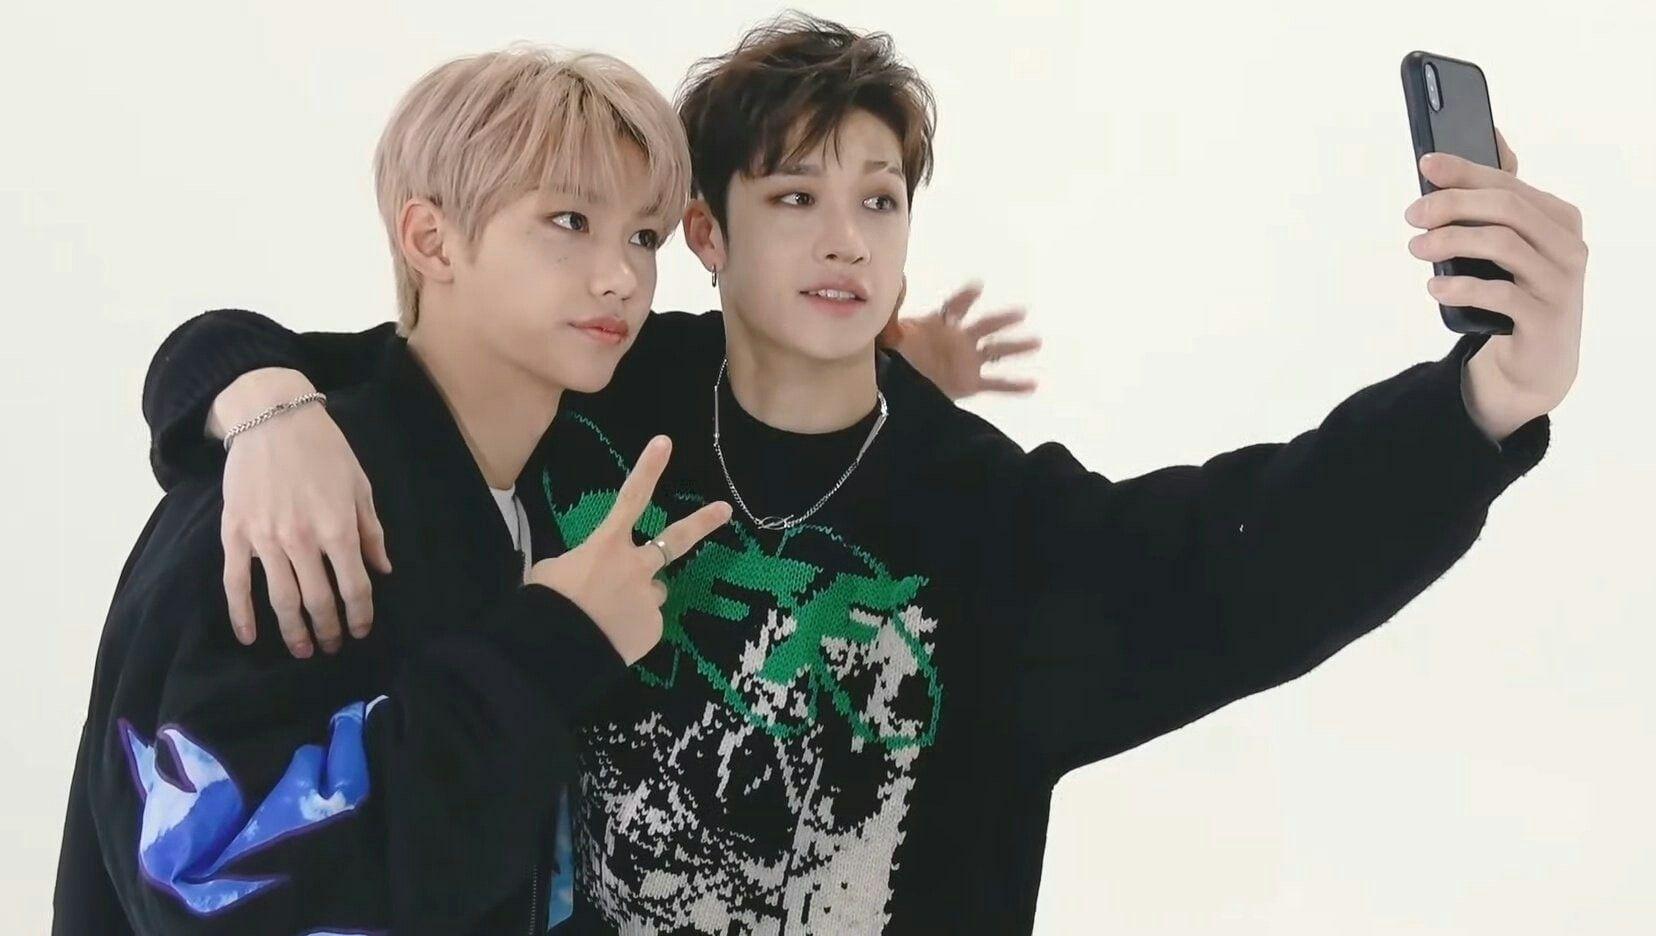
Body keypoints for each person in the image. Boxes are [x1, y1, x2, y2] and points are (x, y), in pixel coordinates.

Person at [133, 14, 1586, 935]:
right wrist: (258, 406)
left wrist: (1486, 401)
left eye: (878, 200)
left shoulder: (988, 520)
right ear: (706, 234)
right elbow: (376, 363)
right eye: (794, 196)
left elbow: (1245, 560)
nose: (845, 238)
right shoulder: (597, 383)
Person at [52, 45, 734, 935]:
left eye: (643, 237)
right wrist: (555, 643)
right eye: (569, 221)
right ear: (430, 240)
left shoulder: (567, 466)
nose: (623, 277)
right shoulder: (290, 502)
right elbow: (216, 884)